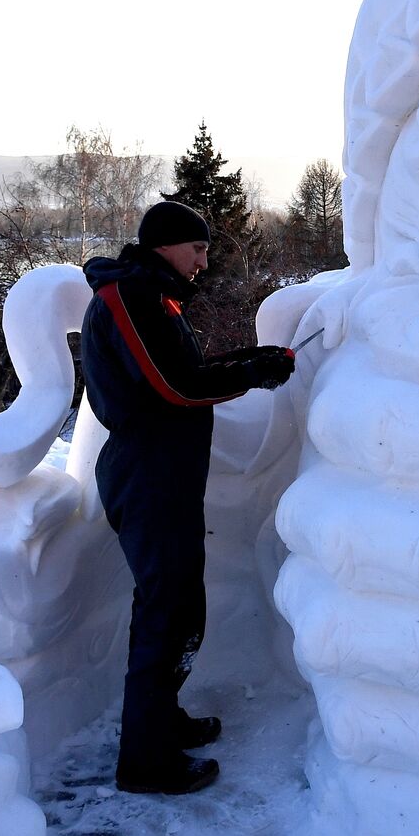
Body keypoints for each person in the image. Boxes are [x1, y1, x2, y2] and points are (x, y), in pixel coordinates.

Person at [79, 200, 294, 795]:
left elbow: (179, 371)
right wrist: (251, 374)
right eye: (197, 249)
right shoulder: (129, 297)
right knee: (166, 612)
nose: (203, 261)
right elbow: (174, 386)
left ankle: (161, 721)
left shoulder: (154, 296)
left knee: (180, 609)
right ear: (165, 245)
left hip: (166, 473)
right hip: (146, 473)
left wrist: (250, 360)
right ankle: (146, 761)